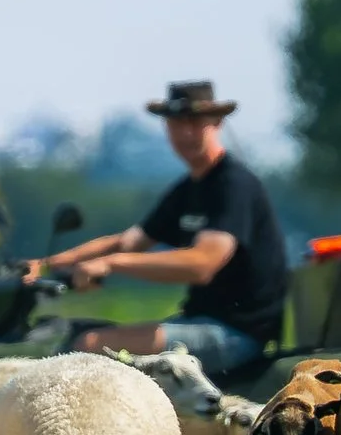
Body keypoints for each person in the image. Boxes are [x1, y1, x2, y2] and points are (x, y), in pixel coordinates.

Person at [27, 81, 291, 376]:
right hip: (198, 321)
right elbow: (126, 242)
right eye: (177, 123)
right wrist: (46, 265)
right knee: (76, 332)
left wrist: (112, 265)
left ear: (216, 122)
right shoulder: (187, 190)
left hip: (236, 334)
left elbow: (202, 263)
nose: (186, 132)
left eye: (195, 122)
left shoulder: (233, 186)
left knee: (90, 345)